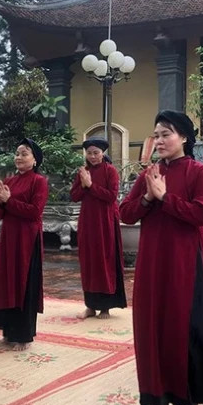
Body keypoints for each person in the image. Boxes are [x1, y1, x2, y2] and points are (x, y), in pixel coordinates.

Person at [119, 110, 203, 405]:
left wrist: (165, 198)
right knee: (152, 328)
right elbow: (126, 214)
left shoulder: (199, 173)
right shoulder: (148, 174)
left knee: (187, 328)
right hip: (152, 264)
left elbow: (200, 214)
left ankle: (190, 401)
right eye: (156, 134)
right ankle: (159, 403)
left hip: (186, 265)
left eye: (166, 133)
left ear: (184, 137)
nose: (160, 140)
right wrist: (148, 200)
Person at [0, 138, 48, 351]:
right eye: (17, 153)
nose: (18, 157)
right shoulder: (10, 181)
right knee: (7, 281)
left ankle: (24, 335)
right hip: (9, 239)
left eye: (24, 153)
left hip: (27, 239)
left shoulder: (38, 181)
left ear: (34, 160)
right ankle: (9, 330)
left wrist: (8, 202)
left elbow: (35, 212)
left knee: (24, 284)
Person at [70, 136, 126, 319]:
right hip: (87, 223)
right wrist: (84, 185)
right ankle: (90, 306)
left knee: (104, 262)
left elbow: (111, 197)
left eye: (96, 153)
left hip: (105, 223)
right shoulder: (83, 171)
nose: (92, 156)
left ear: (103, 154)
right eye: (89, 153)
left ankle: (105, 308)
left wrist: (91, 186)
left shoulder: (110, 172)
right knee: (89, 263)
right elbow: (74, 196)